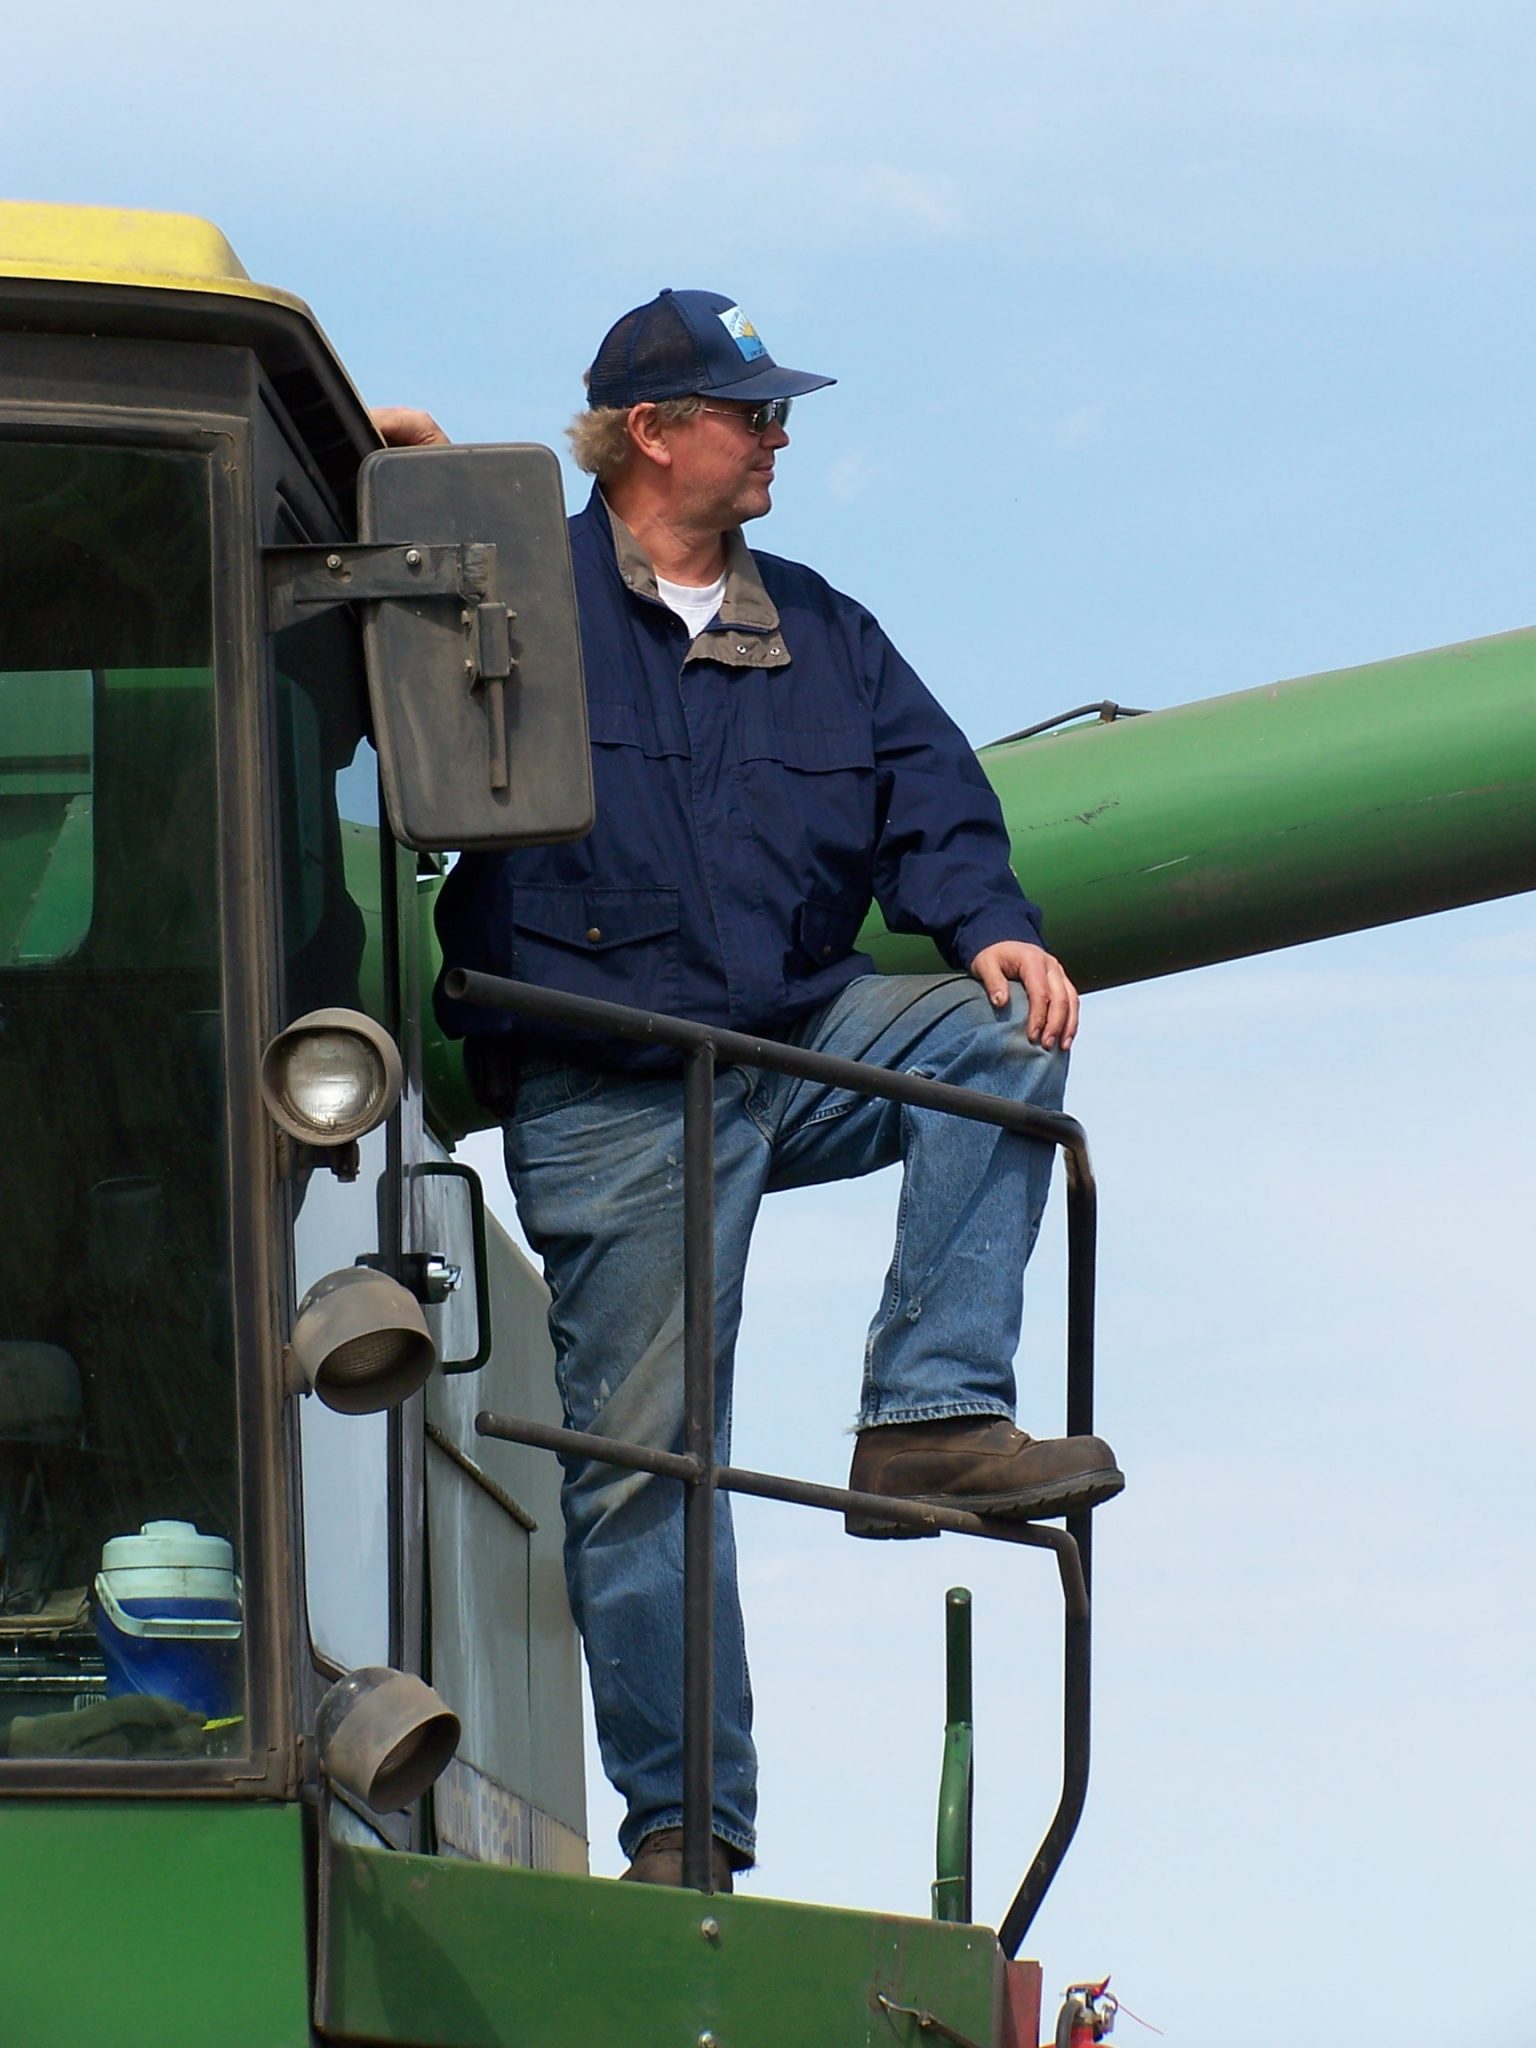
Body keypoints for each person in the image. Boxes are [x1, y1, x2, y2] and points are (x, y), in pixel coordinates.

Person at [374, 289, 1123, 1891]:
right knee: (649, 1473)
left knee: (999, 1041)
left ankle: (928, 1420)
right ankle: (687, 1836)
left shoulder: (829, 636)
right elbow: (360, 636)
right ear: (654, 433)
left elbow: (937, 803)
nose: (782, 435)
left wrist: (993, 929)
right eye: (754, 410)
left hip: (785, 1049)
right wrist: (421, 494)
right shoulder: (514, 595)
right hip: (606, 1087)